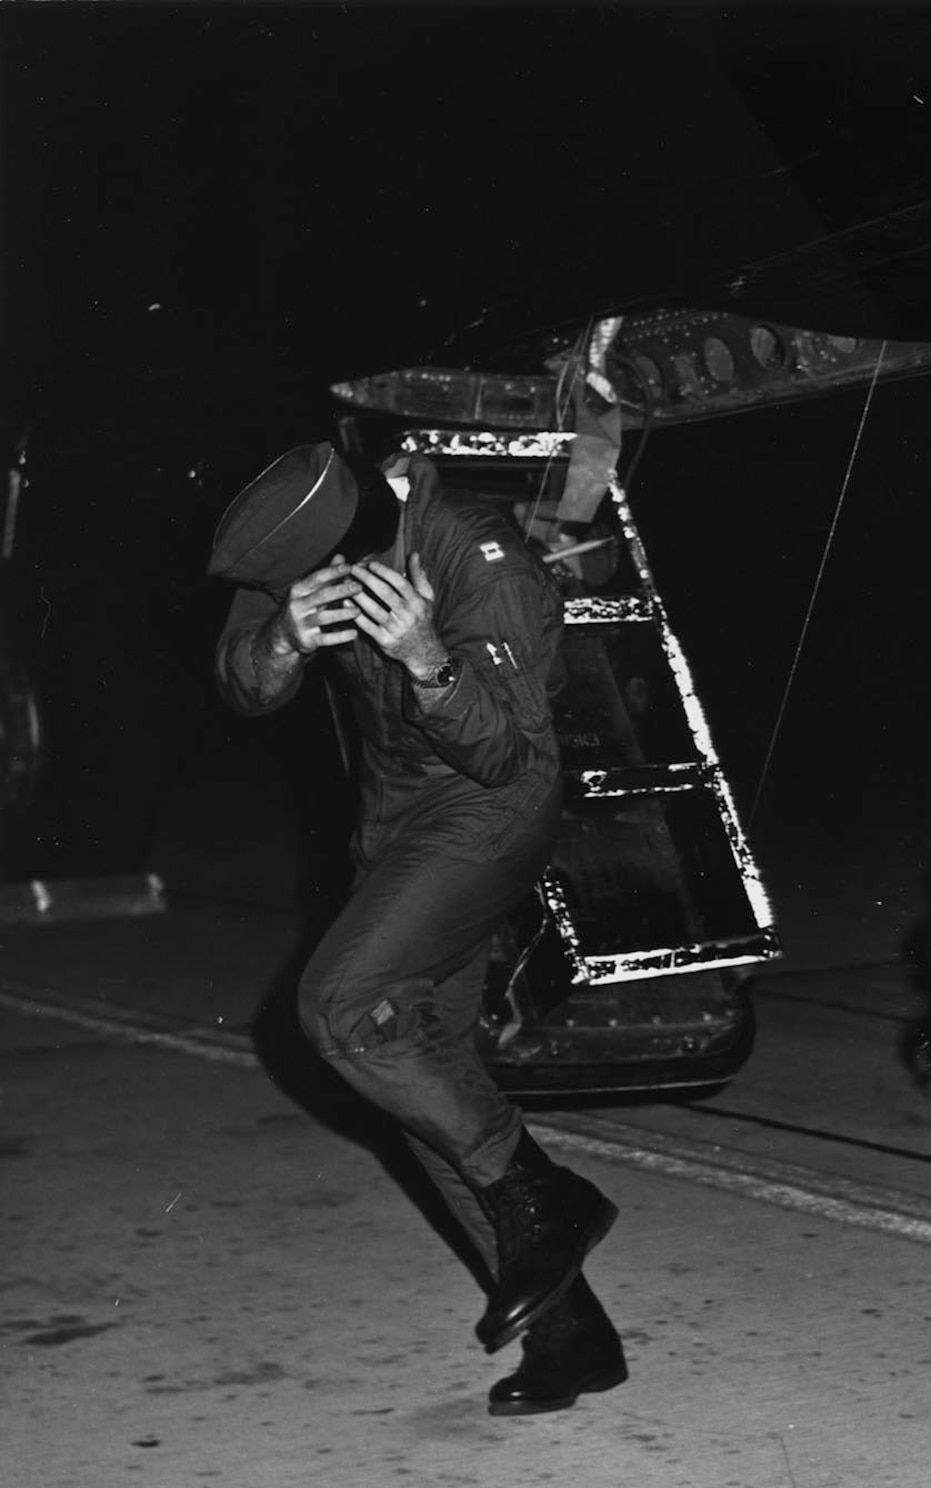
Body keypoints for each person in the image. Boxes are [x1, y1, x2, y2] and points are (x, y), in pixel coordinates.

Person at [209, 441, 626, 1416]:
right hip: (395, 822)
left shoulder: (481, 560)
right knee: (416, 1079)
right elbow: (239, 677)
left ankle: (541, 1191)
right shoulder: (304, 533)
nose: (320, 588)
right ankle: (573, 1339)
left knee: (343, 1009)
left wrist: (426, 660)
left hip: (491, 810)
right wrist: (283, 641)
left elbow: (510, 756)